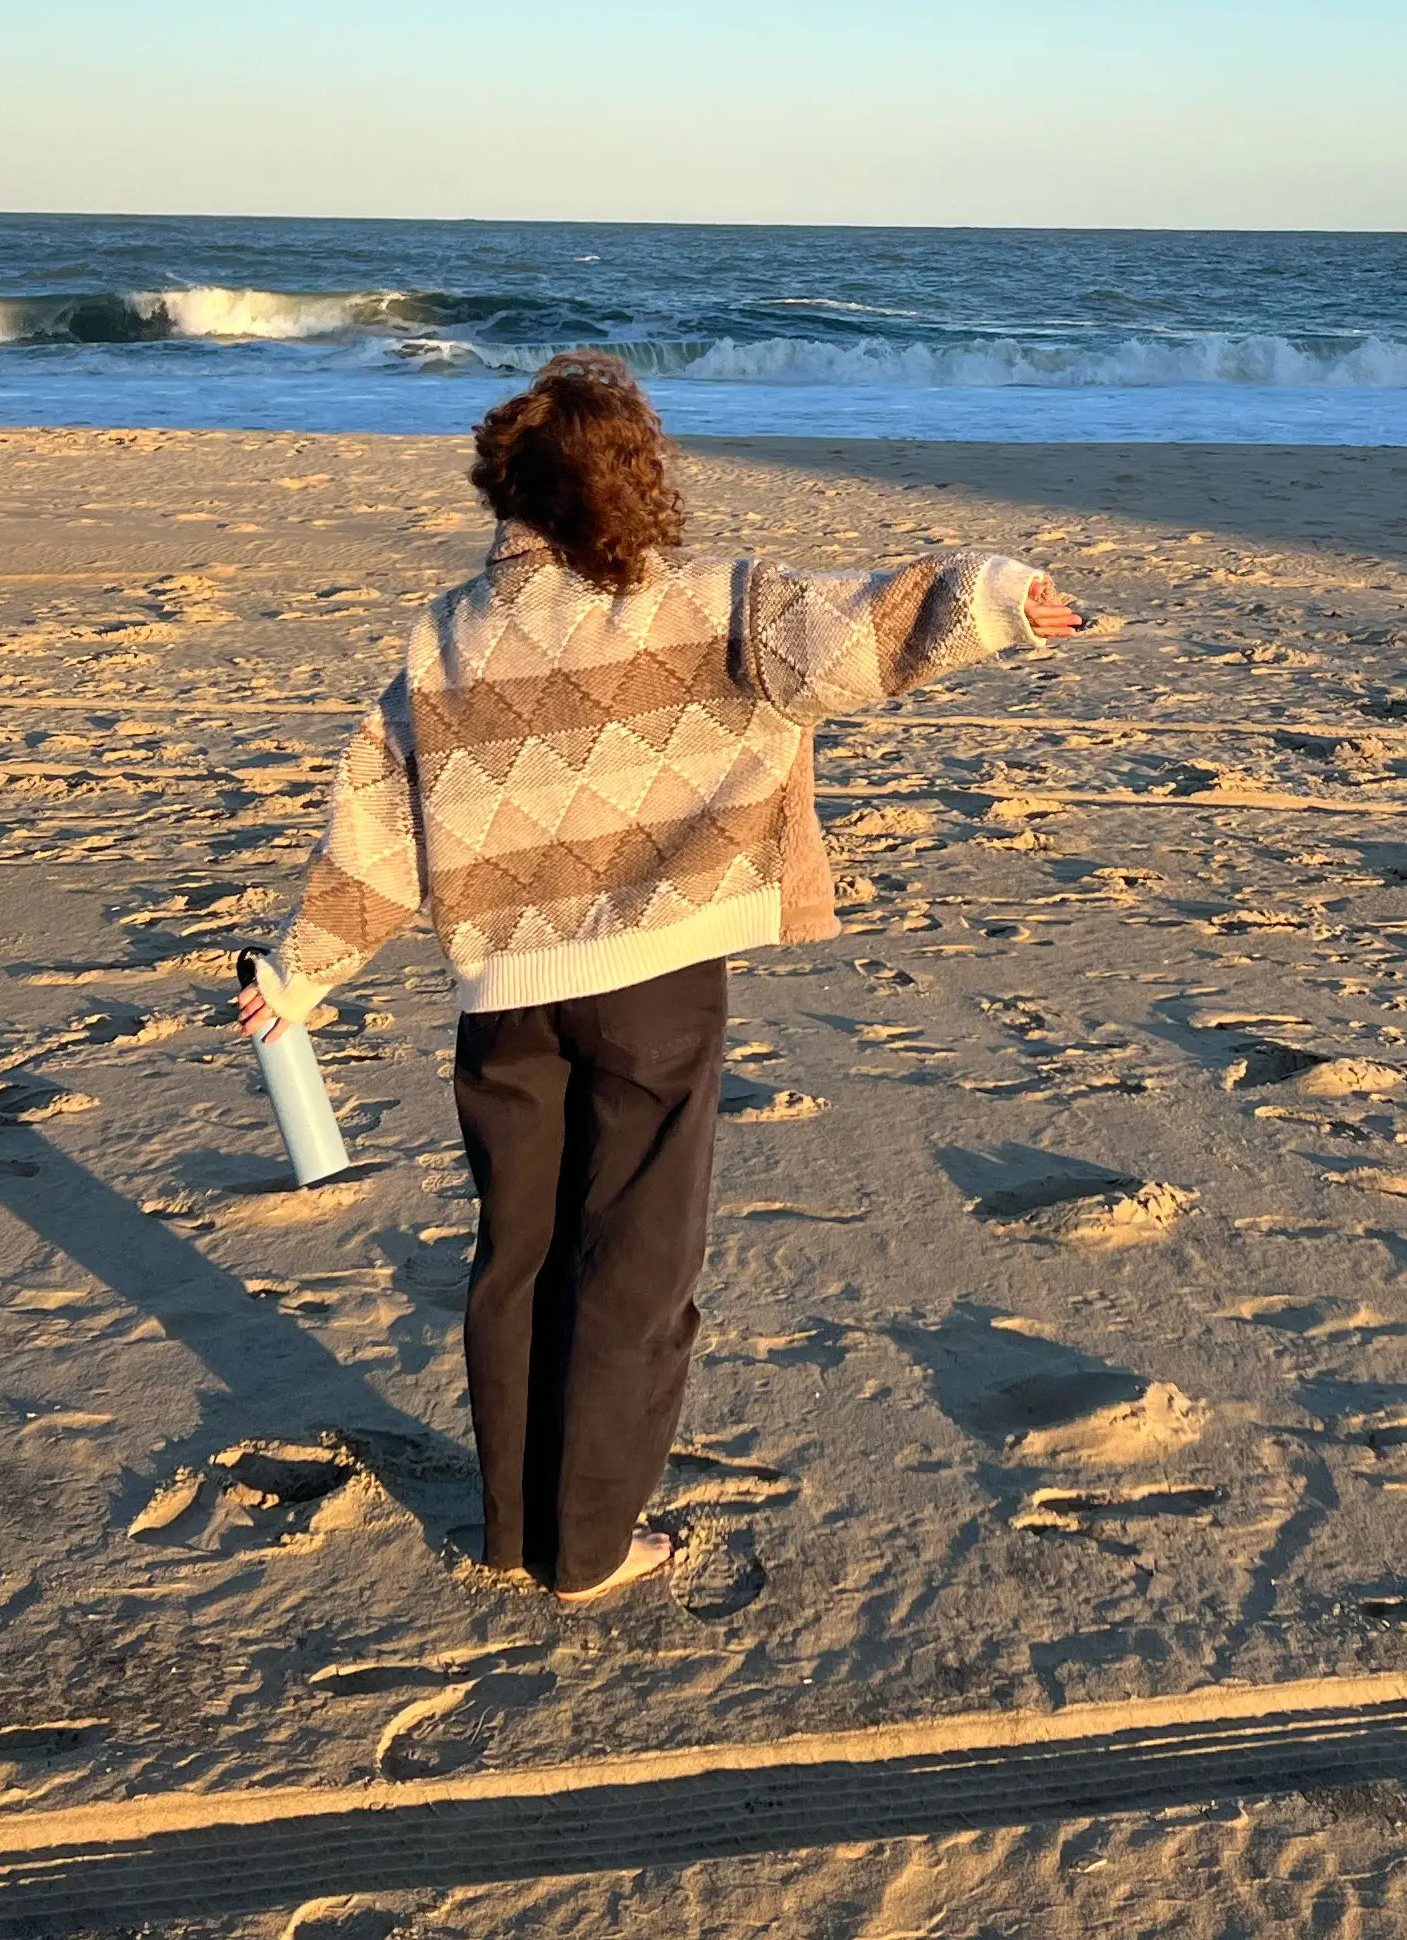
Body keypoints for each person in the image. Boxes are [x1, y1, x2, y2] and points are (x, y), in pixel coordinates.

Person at [238, 352, 1080, 1602]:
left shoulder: (446, 634)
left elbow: (376, 821)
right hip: (652, 986)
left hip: (503, 1000)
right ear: (637, 483)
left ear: (503, 487)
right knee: (633, 1264)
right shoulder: (709, 605)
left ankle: (518, 1528)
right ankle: (589, 1551)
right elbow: (869, 631)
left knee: (516, 1257)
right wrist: (1000, 595)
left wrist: (301, 977)